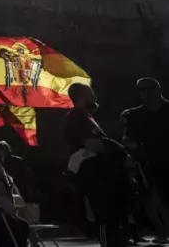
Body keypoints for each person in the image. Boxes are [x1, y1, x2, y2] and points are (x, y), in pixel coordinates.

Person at [65, 82, 131, 247]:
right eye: (90, 91)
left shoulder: (86, 116)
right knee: (105, 212)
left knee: (113, 210)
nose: (94, 95)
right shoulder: (77, 116)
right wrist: (119, 151)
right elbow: (91, 142)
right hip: (92, 168)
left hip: (99, 168)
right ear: (82, 95)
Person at [122, 78, 169, 243]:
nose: (146, 93)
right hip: (147, 164)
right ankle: (163, 232)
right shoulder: (134, 115)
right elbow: (127, 138)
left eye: (149, 89)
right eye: (141, 90)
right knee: (152, 199)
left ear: (159, 89)